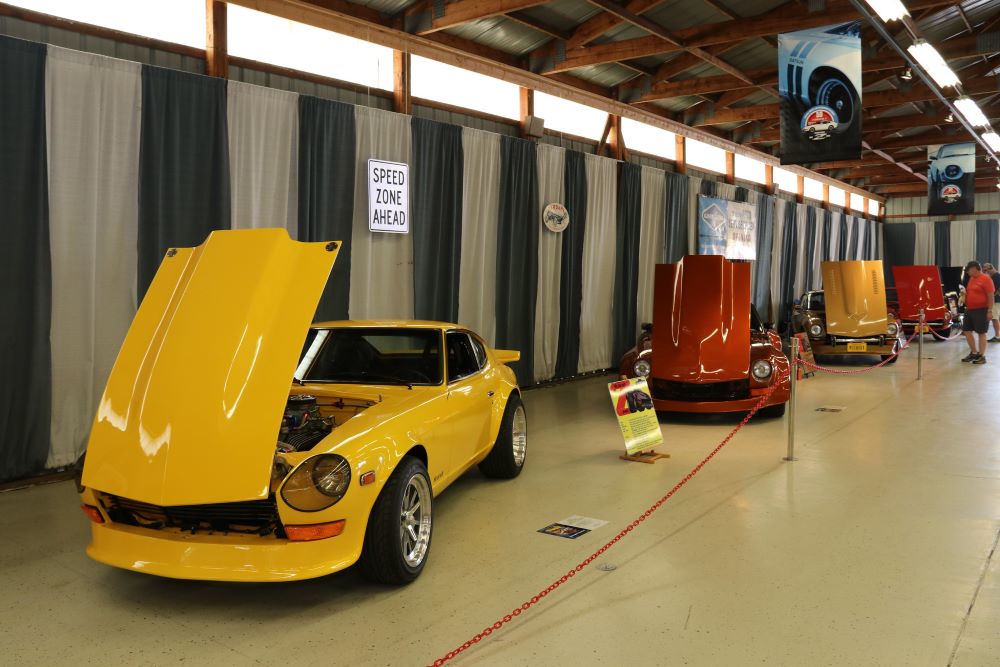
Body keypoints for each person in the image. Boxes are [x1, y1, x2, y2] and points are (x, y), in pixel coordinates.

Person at [962, 261, 995, 364]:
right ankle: (974, 352)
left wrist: (989, 310)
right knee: (966, 331)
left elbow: (991, 296)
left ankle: (981, 356)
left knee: (981, 332)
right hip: (970, 309)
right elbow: (971, 292)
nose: (967, 272)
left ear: (975, 269)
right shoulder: (971, 279)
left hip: (981, 310)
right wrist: (964, 295)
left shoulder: (986, 279)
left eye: (969, 269)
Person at [985, 262, 1000, 342]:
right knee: (995, 318)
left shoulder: (996, 276)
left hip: (996, 301)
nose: (986, 272)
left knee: (995, 318)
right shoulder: (995, 276)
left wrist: (993, 295)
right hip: (995, 300)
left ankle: (998, 336)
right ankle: (997, 335)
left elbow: (998, 289)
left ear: (991, 268)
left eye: (986, 270)